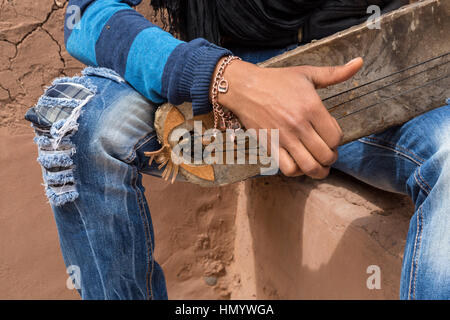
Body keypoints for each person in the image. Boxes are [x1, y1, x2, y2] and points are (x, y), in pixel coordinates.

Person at [24, 0, 449, 300]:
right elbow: (87, 17)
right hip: (214, 91)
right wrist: (221, 76)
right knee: (82, 120)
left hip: (359, 77)